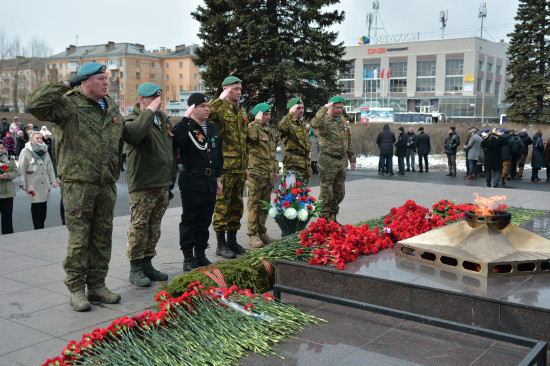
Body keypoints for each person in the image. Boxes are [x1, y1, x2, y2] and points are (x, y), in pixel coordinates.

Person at [26, 61, 124, 312]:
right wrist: (67, 83)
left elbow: (124, 135)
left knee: (102, 238)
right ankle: (76, 289)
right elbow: (34, 103)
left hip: (105, 183)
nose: (106, 82)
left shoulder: (111, 106)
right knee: (80, 239)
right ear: (86, 82)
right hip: (79, 184)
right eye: (101, 78)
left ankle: (98, 285)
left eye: (107, 78)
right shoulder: (68, 103)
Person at [123, 82, 176, 287]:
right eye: (154, 99)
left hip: (162, 182)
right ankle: (135, 267)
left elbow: (169, 151)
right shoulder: (133, 119)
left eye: (160, 99)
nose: (158, 103)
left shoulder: (163, 120)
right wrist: (149, 112)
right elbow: (134, 134)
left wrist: (170, 181)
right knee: (139, 227)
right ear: (142, 100)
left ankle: (147, 263)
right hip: (143, 183)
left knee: (154, 228)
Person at [173, 93, 223, 271]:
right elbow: (176, 141)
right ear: (193, 108)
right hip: (192, 180)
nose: (207, 108)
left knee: (205, 220)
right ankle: (188, 257)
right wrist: (185, 118)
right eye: (202, 106)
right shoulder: (185, 127)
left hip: (210, 180)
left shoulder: (214, 128)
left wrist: (218, 178)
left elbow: (219, 155)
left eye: (208, 105)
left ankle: (200, 254)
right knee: (190, 220)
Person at [209, 76, 248, 258]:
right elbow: (208, 112)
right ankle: (220, 244)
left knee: (236, 206)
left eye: (240, 89)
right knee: (222, 206)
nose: (239, 92)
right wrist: (221, 98)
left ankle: (232, 241)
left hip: (239, 167)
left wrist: (246, 166)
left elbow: (244, 141)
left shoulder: (241, 111)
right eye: (235, 89)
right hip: (225, 166)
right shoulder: (220, 108)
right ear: (225, 90)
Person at [310, 96, 356, 223]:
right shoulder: (323, 120)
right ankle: (323, 221)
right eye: (337, 107)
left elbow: (349, 141)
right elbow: (314, 123)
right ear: (331, 106)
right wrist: (323, 108)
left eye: (341, 108)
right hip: (327, 161)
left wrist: (352, 159)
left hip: (341, 162)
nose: (340, 110)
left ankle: (332, 218)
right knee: (327, 193)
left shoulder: (342, 122)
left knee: (339, 193)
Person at [246, 103, 279, 248]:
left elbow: (272, 153)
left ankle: (261, 231)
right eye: (265, 114)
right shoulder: (253, 127)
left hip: (267, 173)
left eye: (269, 114)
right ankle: (253, 235)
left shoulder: (269, 130)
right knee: (253, 204)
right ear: (258, 114)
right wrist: (257, 120)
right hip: (255, 173)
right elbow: (251, 138)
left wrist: (276, 169)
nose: (268, 117)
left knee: (265, 205)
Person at [17, 131, 57, 229]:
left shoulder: (45, 151)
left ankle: (41, 227)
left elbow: (50, 167)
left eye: (40, 138)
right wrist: (22, 183)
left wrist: (53, 181)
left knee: (43, 208)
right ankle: (38, 229)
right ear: (31, 139)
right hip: (32, 184)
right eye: (37, 138)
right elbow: (21, 168)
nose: (39, 140)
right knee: (36, 208)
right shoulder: (25, 151)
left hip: (44, 183)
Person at [278, 98, 312, 184]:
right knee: (292, 193)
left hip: (304, 163)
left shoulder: (302, 123)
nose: (301, 110)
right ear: (291, 109)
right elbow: (281, 127)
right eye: (298, 108)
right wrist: (290, 114)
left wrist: (308, 165)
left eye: (302, 108)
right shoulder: (288, 122)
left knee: (303, 194)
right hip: (293, 164)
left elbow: (305, 147)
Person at [0, 141, 17, 234]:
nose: (0, 150)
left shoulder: (10, 159)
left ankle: (8, 235)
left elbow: (15, 171)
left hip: (8, 193)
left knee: (7, 216)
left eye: (2, 148)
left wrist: (8, 175)